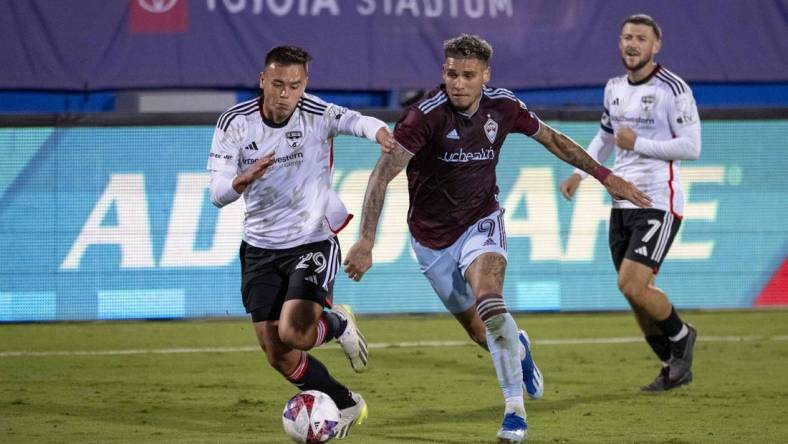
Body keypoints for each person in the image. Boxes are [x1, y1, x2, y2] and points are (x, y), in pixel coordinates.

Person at [343, 34, 651, 443]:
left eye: (468, 75)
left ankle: (514, 412)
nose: (458, 83)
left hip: (481, 222)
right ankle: (519, 347)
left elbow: (553, 139)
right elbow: (381, 175)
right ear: (443, 72)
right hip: (430, 239)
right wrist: (366, 240)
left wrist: (606, 176)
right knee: (480, 332)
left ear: (485, 76)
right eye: (451, 73)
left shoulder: (503, 106)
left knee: (490, 301)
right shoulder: (423, 117)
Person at [207, 45, 397, 439]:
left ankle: (336, 321)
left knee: (295, 333)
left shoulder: (315, 113)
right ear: (262, 81)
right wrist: (240, 182)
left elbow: (355, 121)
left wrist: (380, 131)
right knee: (277, 353)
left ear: (304, 84)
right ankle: (346, 402)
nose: (285, 94)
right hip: (259, 247)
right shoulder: (235, 123)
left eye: (294, 86)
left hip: (311, 240)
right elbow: (217, 192)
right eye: (277, 84)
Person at [560, 14, 701, 392]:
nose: (632, 43)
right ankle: (674, 366)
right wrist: (581, 172)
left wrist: (637, 143)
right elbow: (606, 136)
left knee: (633, 285)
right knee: (634, 296)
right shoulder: (614, 88)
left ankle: (683, 336)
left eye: (641, 38)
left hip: (658, 200)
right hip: (622, 203)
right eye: (626, 37)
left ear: (656, 46)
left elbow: (692, 146)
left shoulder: (674, 89)